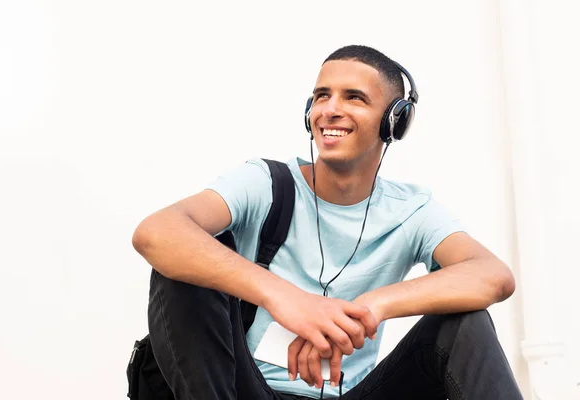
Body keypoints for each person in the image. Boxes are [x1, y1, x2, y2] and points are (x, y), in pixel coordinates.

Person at [132, 45, 523, 399]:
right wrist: (286, 299)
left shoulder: (412, 211)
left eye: (354, 97)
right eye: (322, 96)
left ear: (394, 121)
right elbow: (157, 232)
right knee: (183, 264)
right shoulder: (264, 183)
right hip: (243, 389)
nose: (330, 109)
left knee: (465, 323)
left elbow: (492, 275)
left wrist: (372, 306)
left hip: (348, 395)